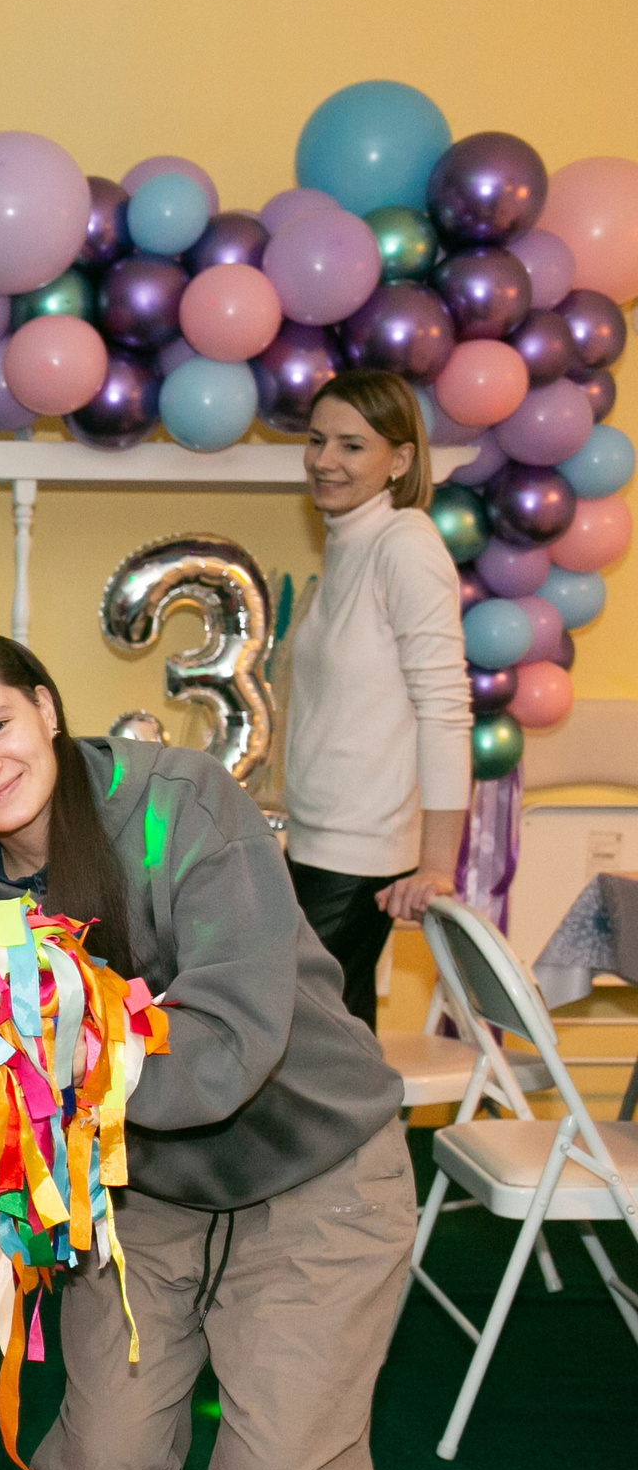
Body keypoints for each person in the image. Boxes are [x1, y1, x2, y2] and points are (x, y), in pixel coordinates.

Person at [0, 629, 415, 1470]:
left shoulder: (182, 801)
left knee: (278, 1466)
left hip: (314, 1164)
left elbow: (226, 1043)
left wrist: (36, 1096)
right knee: (101, 1458)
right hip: (140, 1189)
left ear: (44, 704)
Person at [284, 369, 470, 1028]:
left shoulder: (406, 546)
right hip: (315, 841)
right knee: (328, 1041)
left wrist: (438, 864)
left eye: (351, 445)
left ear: (400, 459)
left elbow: (445, 708)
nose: (324, 460)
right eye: (316, 440)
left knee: (311, 1044)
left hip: (361, 854)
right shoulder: (348, 542)